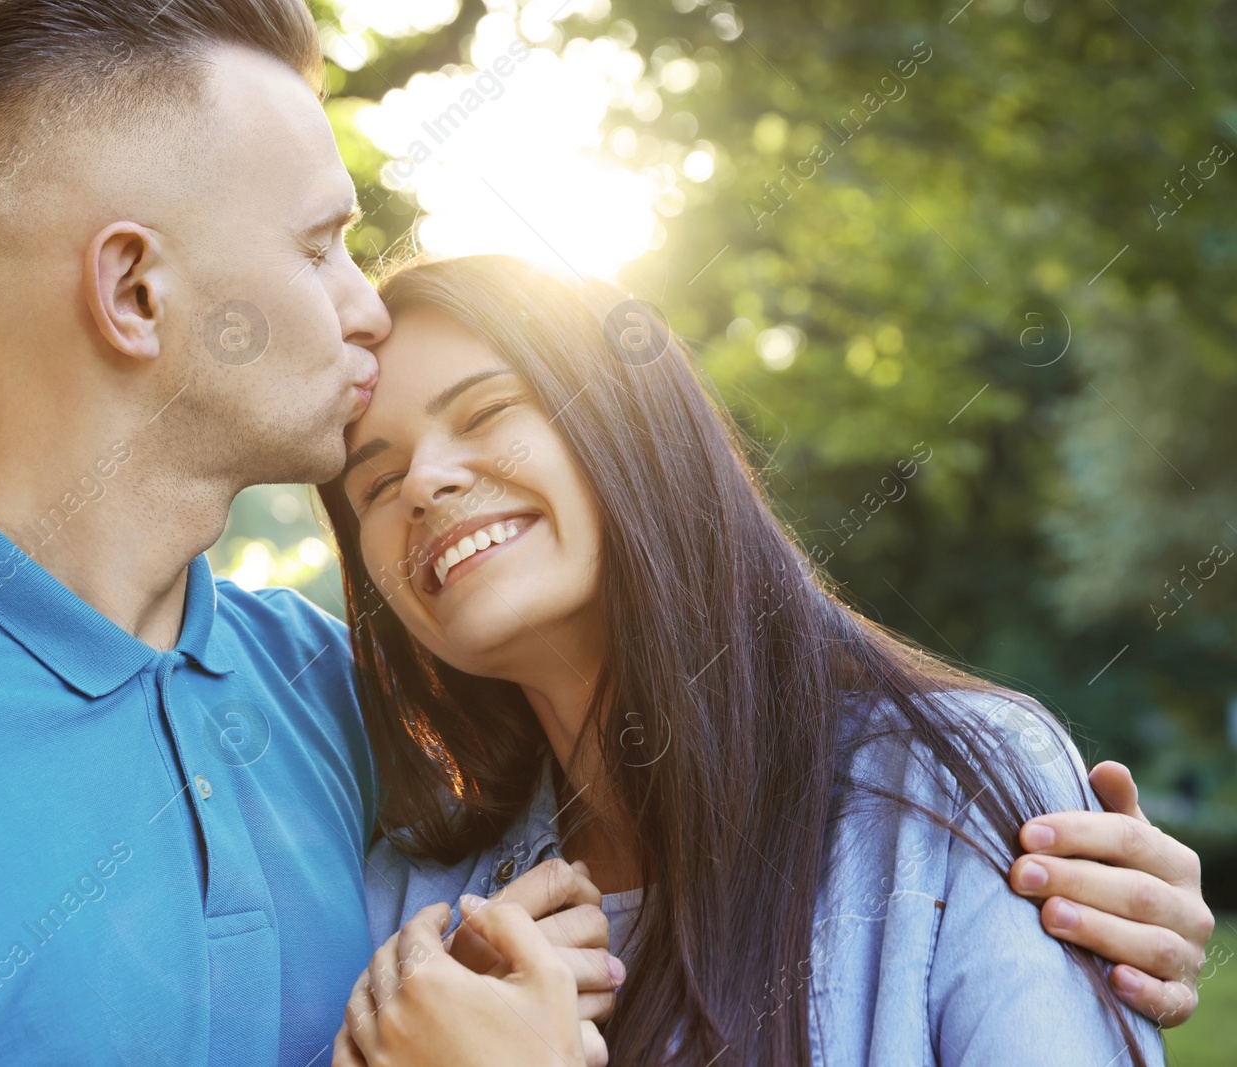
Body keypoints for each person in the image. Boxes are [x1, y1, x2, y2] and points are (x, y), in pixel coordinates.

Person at [0, 2, 1207, 1065]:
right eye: (322, 242)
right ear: (134, 292)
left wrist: (1026, 846)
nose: (362, 304)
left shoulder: (355, 709)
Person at [321, 255, 1211, 1065]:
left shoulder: (960, 790)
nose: (425, 483)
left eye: (483, 412)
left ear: (630, 425)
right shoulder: (413, 915)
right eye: (375, 483)